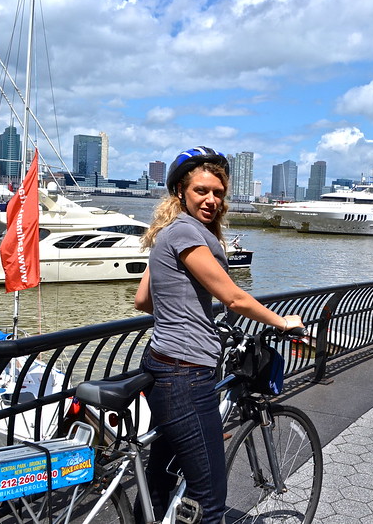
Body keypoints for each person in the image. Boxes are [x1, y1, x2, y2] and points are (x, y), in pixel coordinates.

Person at [134, 146, 304, 523]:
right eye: (201, 191)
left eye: (218, 193)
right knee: (209, 497)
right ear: (181, 190)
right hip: (186, 374)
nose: (211, 200)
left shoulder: (168, 231)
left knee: (161, 475)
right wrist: (283, 322)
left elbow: (144, 300)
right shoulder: (186, 233)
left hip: (161, 363)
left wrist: (188, 311)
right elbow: (233, 297)